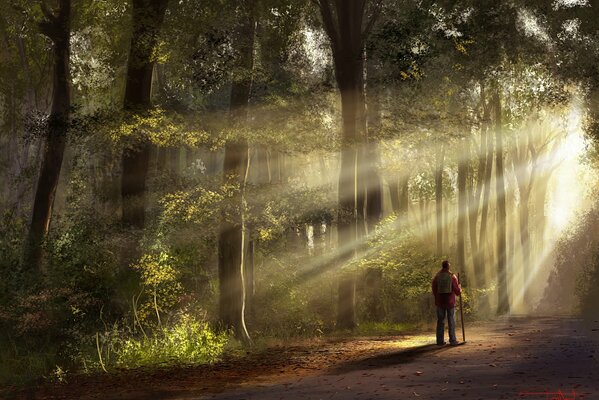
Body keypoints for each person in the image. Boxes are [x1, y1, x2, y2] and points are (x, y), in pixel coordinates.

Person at [431, 260, 462, 345]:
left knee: (440, 321)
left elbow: (434, 289)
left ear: (442, 266)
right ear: (448, 266)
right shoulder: (452, 276)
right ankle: (452, 340)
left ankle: (440, 341)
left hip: (440, 302)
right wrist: (460, 288)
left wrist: (437, 298)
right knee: (451, 320)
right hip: (450, 302)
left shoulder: (437, 277)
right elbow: (457, 292)